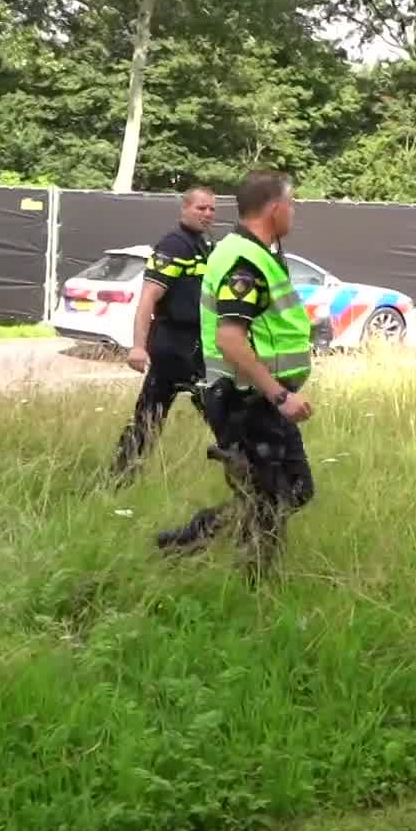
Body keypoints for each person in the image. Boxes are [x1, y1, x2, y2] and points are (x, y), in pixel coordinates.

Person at [155, 170, 317, 582]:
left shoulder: (255, 252)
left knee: (292, 490)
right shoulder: (244, 261)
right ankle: (255, 582)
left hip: (260, 400)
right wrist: (280, 396)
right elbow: (230, 338)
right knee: (271, 496)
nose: (294, 213)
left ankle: (195, 542)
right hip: (249, 400)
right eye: (292, 204)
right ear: (275, 208)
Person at [109, 186, 217, 486]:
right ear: (184, 208)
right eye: (201, 208)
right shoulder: (173, 245)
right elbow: (148, 298)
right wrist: (138, 347)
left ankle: (245, 469)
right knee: (149, 417)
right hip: (173, 345)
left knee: (220, 412)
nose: (207, 214)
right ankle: (121, 478)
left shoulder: (204, 244)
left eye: (211, 209)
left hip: (197, 344)